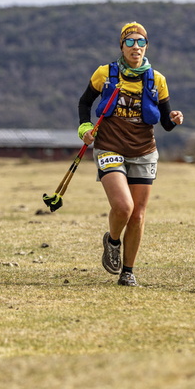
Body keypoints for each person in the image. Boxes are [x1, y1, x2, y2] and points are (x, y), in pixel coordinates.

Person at [77, 22, 184, 286]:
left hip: (143, 151)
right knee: (124, 207)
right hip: (109, 146)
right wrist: (85, 128)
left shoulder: (157, 79)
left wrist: (174, 118)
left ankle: (128, 272)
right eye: (129, 42)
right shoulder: (105, 73)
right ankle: (113, 241)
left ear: (146, 46)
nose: (135, 46)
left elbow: (165, 123)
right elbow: (85, 102)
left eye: (140, 42)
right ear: (122, 46)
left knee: (138, 214)